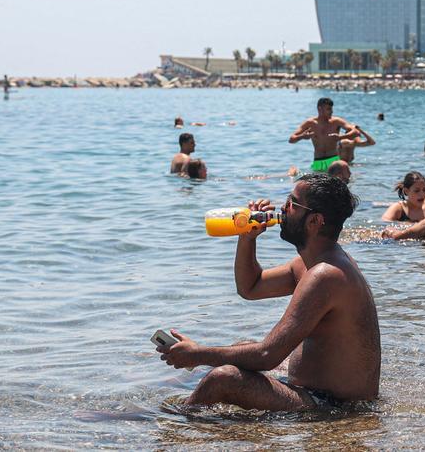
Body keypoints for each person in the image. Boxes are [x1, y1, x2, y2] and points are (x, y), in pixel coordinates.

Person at [156, 174, 380, 410]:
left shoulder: (326, 275)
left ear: (314, 221)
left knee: (223, 379)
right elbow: (250, 287)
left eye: (292, 203)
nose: (283, 208)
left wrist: (197, 354)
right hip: (312, 390)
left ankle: (170, 421)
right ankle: (182, 397)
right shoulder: (313, 264)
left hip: (335, 407)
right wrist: (247, 237)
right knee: (241, 345)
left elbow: (267, 355)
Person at [289, 98, 357, 173]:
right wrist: (302, 136)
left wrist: (340, 137)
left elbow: (355, 132)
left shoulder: (336, 121)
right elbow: (291, 139)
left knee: (337, 184)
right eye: (328, 109)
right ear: (319, 109)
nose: (331, 112)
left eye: (331, 109)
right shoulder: (310, 123)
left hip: (333, 160)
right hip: (318, 162)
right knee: (318, 184)